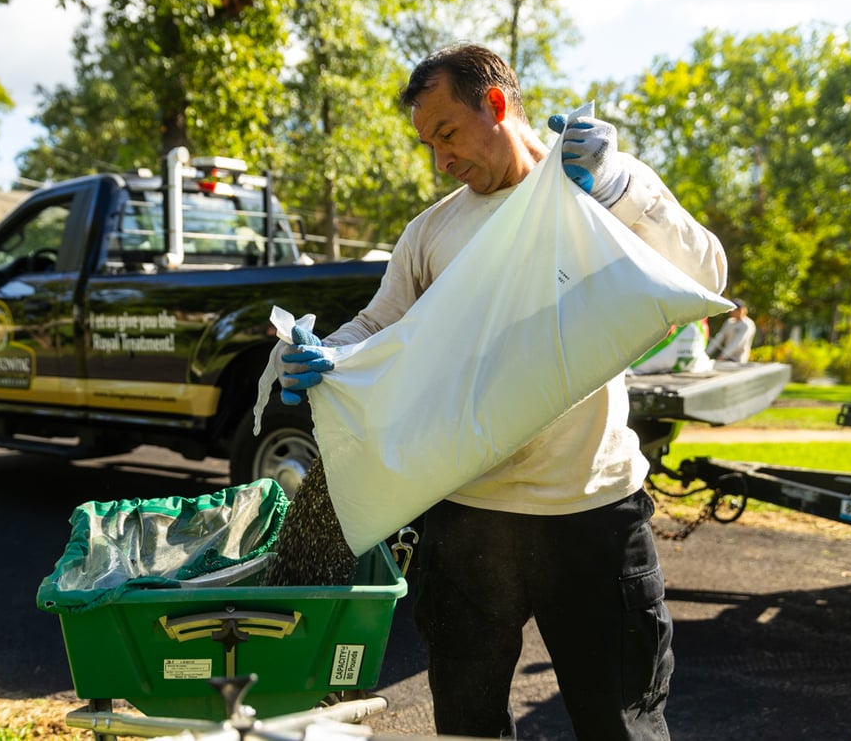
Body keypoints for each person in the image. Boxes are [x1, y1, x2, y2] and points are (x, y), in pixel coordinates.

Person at [277, 43, 727, 740]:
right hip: (465, 518)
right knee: (466, 721)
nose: (439, 160)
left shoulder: (592, 190)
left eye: (448, 134)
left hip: (592, 513)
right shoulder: (431, 232)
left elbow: (705, 273)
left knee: (621, 723)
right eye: (427, 144)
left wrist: (617, 183)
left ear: (495, 105)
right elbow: (375, 324)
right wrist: (319, 354)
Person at [706, 298, 756, 363]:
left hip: (739, 360)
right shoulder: (729, 322)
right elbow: (718, 338)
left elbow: (737, 342)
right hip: (726, 359)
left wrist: (723, 356)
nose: (732, 311)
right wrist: (706, 353)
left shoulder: (747, 324)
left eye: (736, 309)